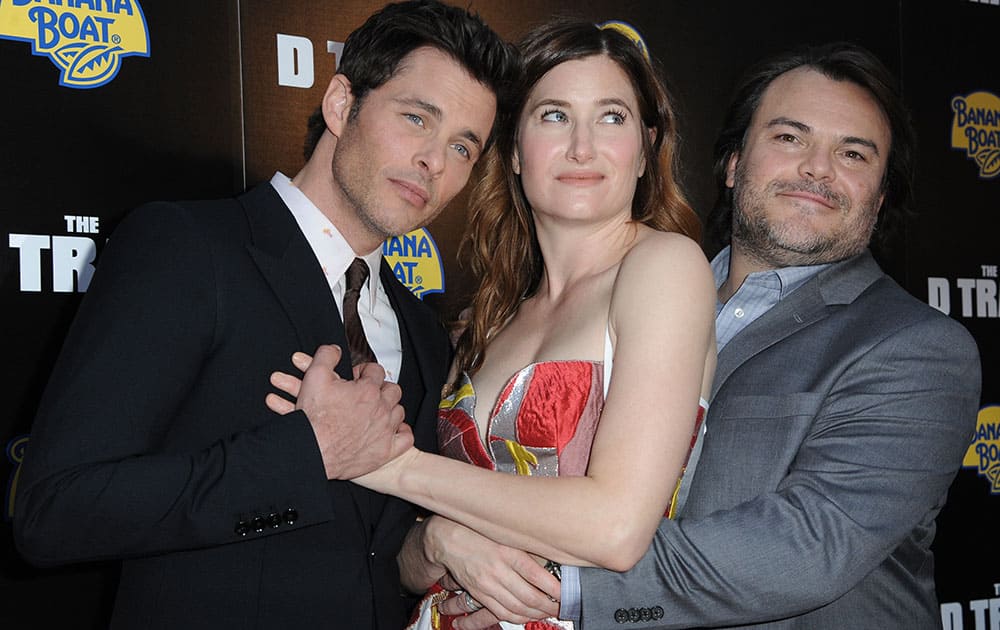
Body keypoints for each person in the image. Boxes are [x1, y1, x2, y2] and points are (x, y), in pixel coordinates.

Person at [12, 2, 517, 628]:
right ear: (341, 104)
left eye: (462, 147)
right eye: (416, 117)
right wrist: (310, 453)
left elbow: (366, 553)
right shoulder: (187, 249)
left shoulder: (424, 334)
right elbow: (54, 513)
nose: (434, 162)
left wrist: (427, 554)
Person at [447, 41, 982, 629]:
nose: (817, 168)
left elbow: (805, 547)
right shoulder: (635, 292)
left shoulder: (916, 348)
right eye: (789, 137)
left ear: (880, 198)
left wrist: (548, 587)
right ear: (732, 164)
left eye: (853, 154)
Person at [268, 19, 718, 629]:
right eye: (554, 116)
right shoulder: (490, 317)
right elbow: (405, 562)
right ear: (512, 150)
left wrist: (389, 464)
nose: (582, 147)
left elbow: (616, 527)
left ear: (645, 148)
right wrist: (437, 544)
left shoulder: (665, 266)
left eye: (612, 117)